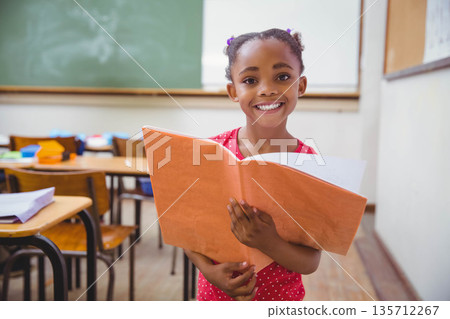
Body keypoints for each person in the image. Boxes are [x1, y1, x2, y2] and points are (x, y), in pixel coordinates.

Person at [184, 28, 321, 301]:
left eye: (282, 77)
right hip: (215, 299)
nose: (267, 89)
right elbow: (187, 231)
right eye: (250, 80)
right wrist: (208, 272)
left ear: (301, 86)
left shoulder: (309, 164)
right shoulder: (211, 152)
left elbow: (310, 262)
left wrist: (268, 242)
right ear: (233, 91)